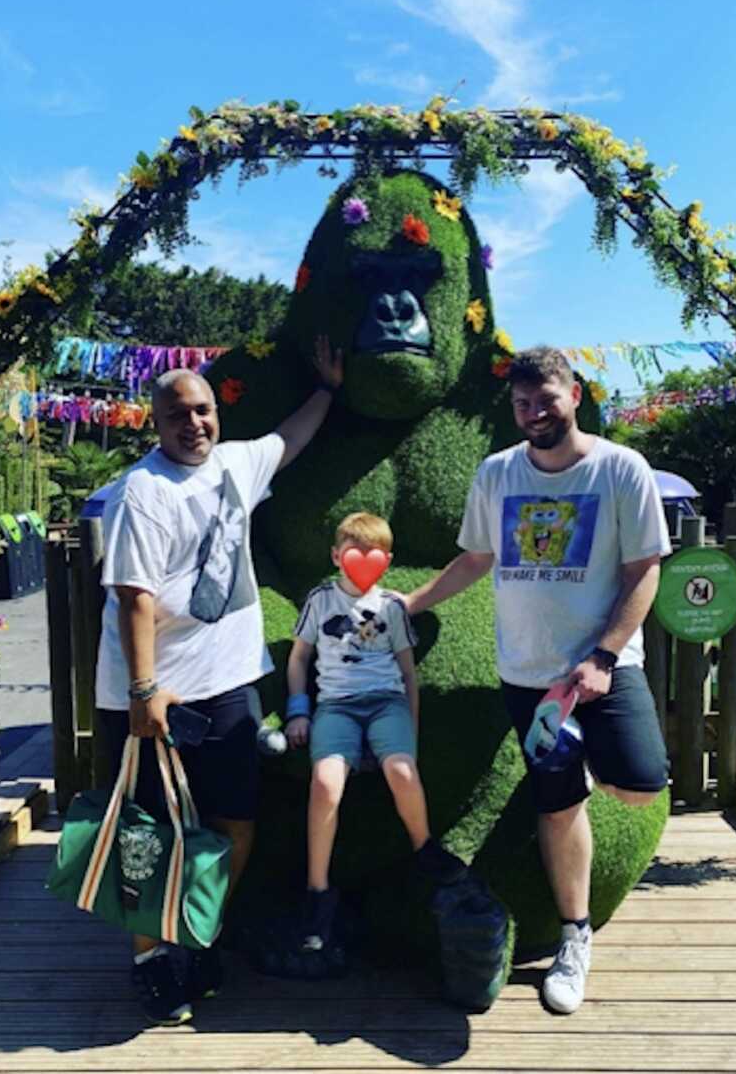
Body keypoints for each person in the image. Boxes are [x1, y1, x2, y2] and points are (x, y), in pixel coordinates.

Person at [401, 347, 671, 1015]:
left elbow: (645, 571)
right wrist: (409, 603)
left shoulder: (619, 470)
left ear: (573, 394)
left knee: (640, 786)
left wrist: (604, 657)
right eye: (522, 404)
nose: (534, 412)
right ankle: (575, 936)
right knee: (556, 801)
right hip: (528, 679)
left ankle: (583, 764)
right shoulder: (497, 474)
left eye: (546, 398)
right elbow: (475, 558)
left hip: (602, 670)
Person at [95, 339, 343, 1025]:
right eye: (178, 415)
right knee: (148, 835)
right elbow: (134, 597)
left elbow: (288, 439)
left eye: (202, 411)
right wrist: (145, 692)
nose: (194, 424)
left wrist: (328, 388)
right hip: (155, 696)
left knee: (234, 824)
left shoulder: (236, 465)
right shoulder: (141, 491)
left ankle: (198, 936)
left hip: (229, 686)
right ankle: (150, 959)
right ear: (157, 423)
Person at [284, 511, 466, 960]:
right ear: (336, 555)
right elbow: (298, 659)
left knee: (402, 771)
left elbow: (408, 672)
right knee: (326, 783)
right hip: (335, 705)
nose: (363, 562)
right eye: (354, 552)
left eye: (374, 554)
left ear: (386, 560)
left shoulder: (391, 607)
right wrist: (297, 711)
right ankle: (317, 891)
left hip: (386, 701)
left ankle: (424, 848)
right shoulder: (320, 600)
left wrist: (412, 726)